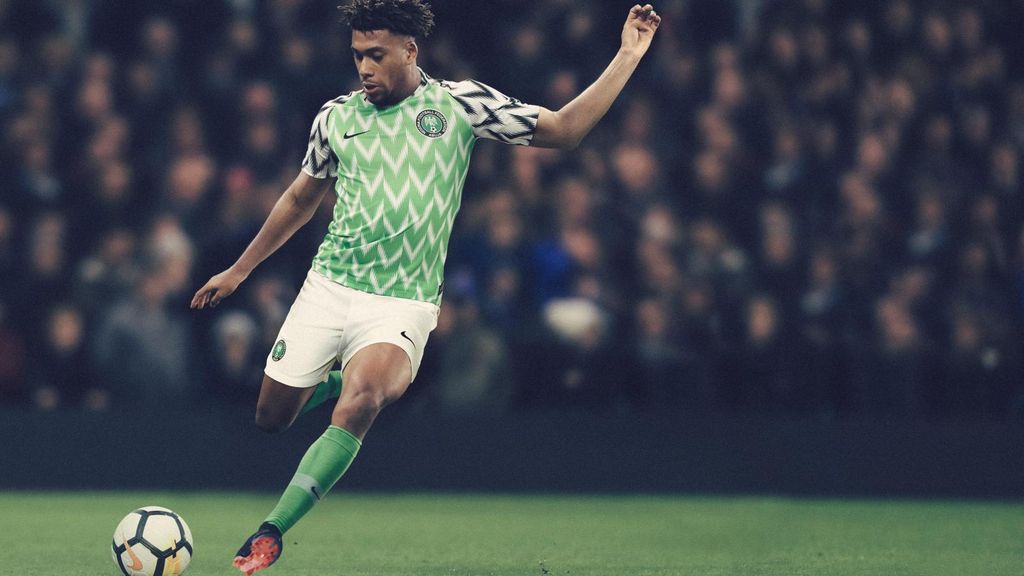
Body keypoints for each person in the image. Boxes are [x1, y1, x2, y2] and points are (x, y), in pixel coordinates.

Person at [190, 1, 661, 573]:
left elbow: (565, 130)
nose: (364, 68)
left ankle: (272, 530)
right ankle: (337, 378)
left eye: (376, 55)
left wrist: (627, 54)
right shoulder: (335, 117)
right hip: (329, 286)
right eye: (358, 55)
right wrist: (239, 270)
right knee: (271, 417)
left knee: (364, 400)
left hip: (402, 301)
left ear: (410, 51)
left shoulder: (459, 104)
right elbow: (299, 198)